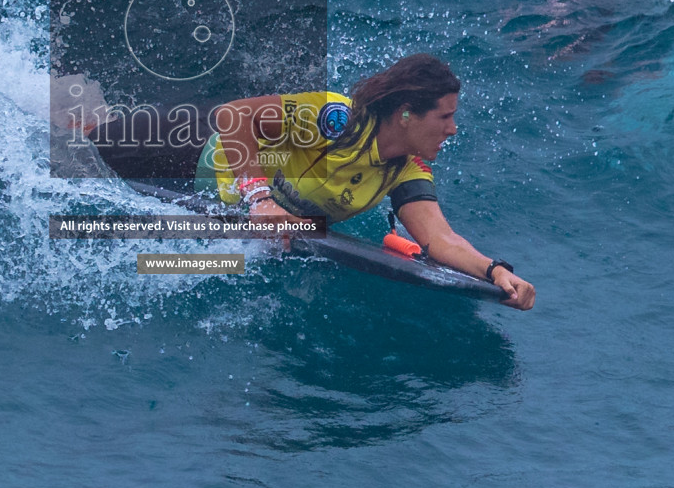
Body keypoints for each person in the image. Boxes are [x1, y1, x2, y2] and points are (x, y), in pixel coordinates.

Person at [192, 54, 535, 310]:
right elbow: (233, 115)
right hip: (216, 174)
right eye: (444, 116)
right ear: (405, 114)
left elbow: (440, 239)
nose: (453, 128)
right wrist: (260, 199)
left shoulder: (407, 170)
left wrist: (495, 272)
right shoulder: (339, 120)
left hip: (274, 222)